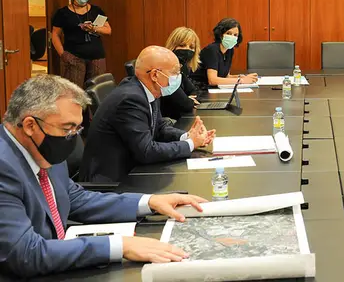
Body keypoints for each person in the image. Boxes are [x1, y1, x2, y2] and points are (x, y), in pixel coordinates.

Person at [0, 74, 208, 278]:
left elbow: (74, 199)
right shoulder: (4, 166)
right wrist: (119, 245)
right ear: (30, 125)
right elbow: (24, 253)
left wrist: (150, 202)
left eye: (77, 129)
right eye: (67, 129)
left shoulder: (41, 146)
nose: (73, 138)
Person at [80, 46, 216, 182]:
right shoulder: (131, 99)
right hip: (112, 180)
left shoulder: (149, 91)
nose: (178, 77)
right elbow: (146, 152)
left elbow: (159, 127)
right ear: (155, 75)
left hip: (132, 168)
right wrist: (190, 144)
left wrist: (186, 136)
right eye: (175, 72)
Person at [51, 0, 111, 88]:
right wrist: (63, 54)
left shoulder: (96, 11)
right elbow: (55, 35)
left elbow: (108, 30)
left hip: (96, 57)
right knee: (74, 92)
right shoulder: (63, 13)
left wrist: (94, 28)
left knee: (96, 91)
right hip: (74, 58)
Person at [190, 18, 258, 89]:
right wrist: (242, 80)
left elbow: (225, 76)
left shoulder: (229, 50)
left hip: (212, 88)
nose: (232, 37)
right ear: (220, 34)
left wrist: (241, 76)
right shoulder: (212, 50)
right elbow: (212, 80)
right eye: (228, 33)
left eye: (235, 35)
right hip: (198, 88)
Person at [161, 27, 202, 120]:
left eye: (191, 47)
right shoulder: (165, 69)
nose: (187, 50)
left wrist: (189, 100)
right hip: (167, 121)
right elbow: (185, 104)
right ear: (173, 46)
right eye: (182, 45)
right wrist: (189, 101)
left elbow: (194, 91)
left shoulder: (182, 67)